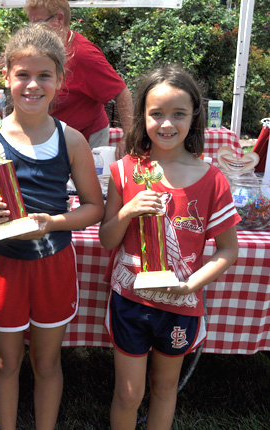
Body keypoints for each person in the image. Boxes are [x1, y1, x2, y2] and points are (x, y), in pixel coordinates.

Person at [0, 24, 104, 429]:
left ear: (60, 80)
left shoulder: (72, 140)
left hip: (53, 263)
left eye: (44, 76)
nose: (32, 85)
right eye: (22, 75)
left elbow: (94, 207)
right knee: (6, 361)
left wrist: (52, 222)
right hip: (4, 263)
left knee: (46, 361)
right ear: (6, 77)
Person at [98, 65, 240, 430]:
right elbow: (107, 238)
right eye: (156, 113)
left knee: (164, 389)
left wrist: (190, 286)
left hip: (181, 306)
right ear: (142, 115)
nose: (166, 124)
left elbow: (227, 251)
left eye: (178, 114)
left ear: (194, 117)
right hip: (130, 302)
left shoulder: (213, 180)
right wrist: (128, 210)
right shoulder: (124, 171)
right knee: (129, 394)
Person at [25, 0, 133, 156]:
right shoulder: (44, 47)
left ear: (59, 19)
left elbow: (122, 93)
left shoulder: (85, 55)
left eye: (37, 23)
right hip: (53, 135)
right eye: (30, 24)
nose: (32, 30)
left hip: (87, 138)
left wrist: (128, 137)